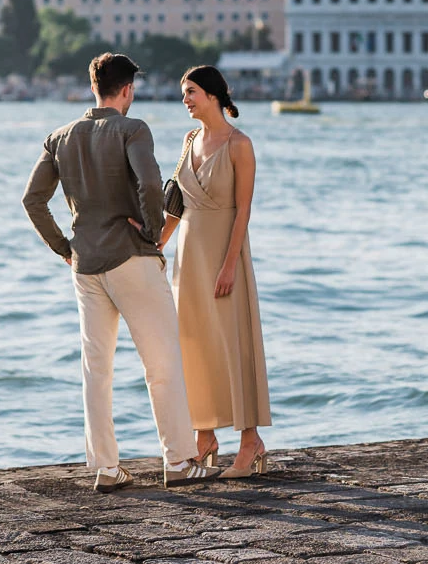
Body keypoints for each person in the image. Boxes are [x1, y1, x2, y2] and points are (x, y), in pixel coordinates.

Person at [23, 52, 220, 493]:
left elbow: (32, 201)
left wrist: (63, 248)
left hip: (86, 265)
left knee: (97, 369)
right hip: (131, 257)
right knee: (162, 362)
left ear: (95, 86)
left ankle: (107, 469)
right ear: (127, 89)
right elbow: (150, 183)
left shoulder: (59, 137)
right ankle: (181, 460)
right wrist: (151, 232)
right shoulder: (133, 128)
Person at [161, 64, 273, 478]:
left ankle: (250, 443)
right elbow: (176, 203)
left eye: (190, 92)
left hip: (225, 256)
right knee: (192, 345)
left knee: (234, 344)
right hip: (187, 260)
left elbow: (244, 210)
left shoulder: (240, 145)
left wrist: (229, 266)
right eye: (183, 93)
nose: (185, 100)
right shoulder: (189, 140)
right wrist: (157, 243)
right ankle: (204, 437)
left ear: (212, 95)